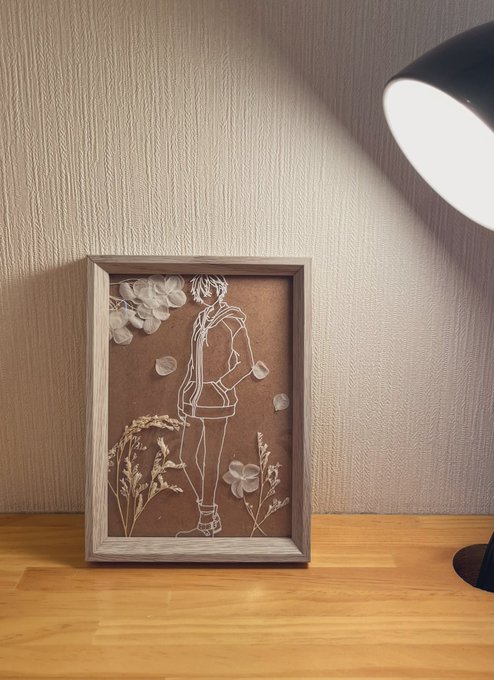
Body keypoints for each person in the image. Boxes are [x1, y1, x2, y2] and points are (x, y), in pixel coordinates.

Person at [176, 275, 254, 536]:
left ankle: (207, 519)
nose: (205, 295)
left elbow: (246, 363)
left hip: (217, 401)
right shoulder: (200, 319)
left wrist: (222, 385)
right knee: (186, 457)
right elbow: (192, 362)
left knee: (210, 459)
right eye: (201, 291)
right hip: (194, 396)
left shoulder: (232, 320)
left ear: (220, 289)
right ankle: (208, 512)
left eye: (209, 290)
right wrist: (184, 390)